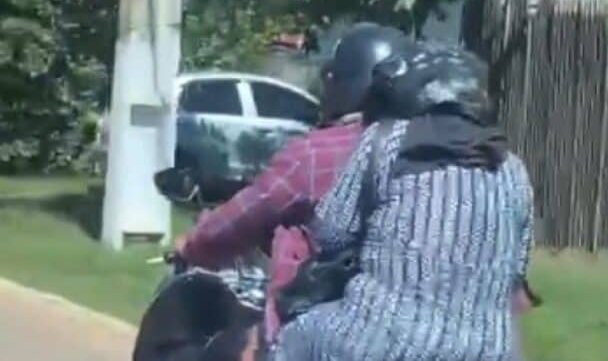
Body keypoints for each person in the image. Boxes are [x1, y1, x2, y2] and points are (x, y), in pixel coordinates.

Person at [269, 40, 535, 360]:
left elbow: (330, 234)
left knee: (292, 337)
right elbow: (516, 273)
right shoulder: (512, 168)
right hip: (487, 351)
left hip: (384, 339)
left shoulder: (386, 141)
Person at [174, 22, 412, 341]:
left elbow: (249, 212)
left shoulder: (317, 153)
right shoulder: (429, 153)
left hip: (316, 334)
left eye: (331, 79)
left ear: (346, 85)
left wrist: (194, 243)